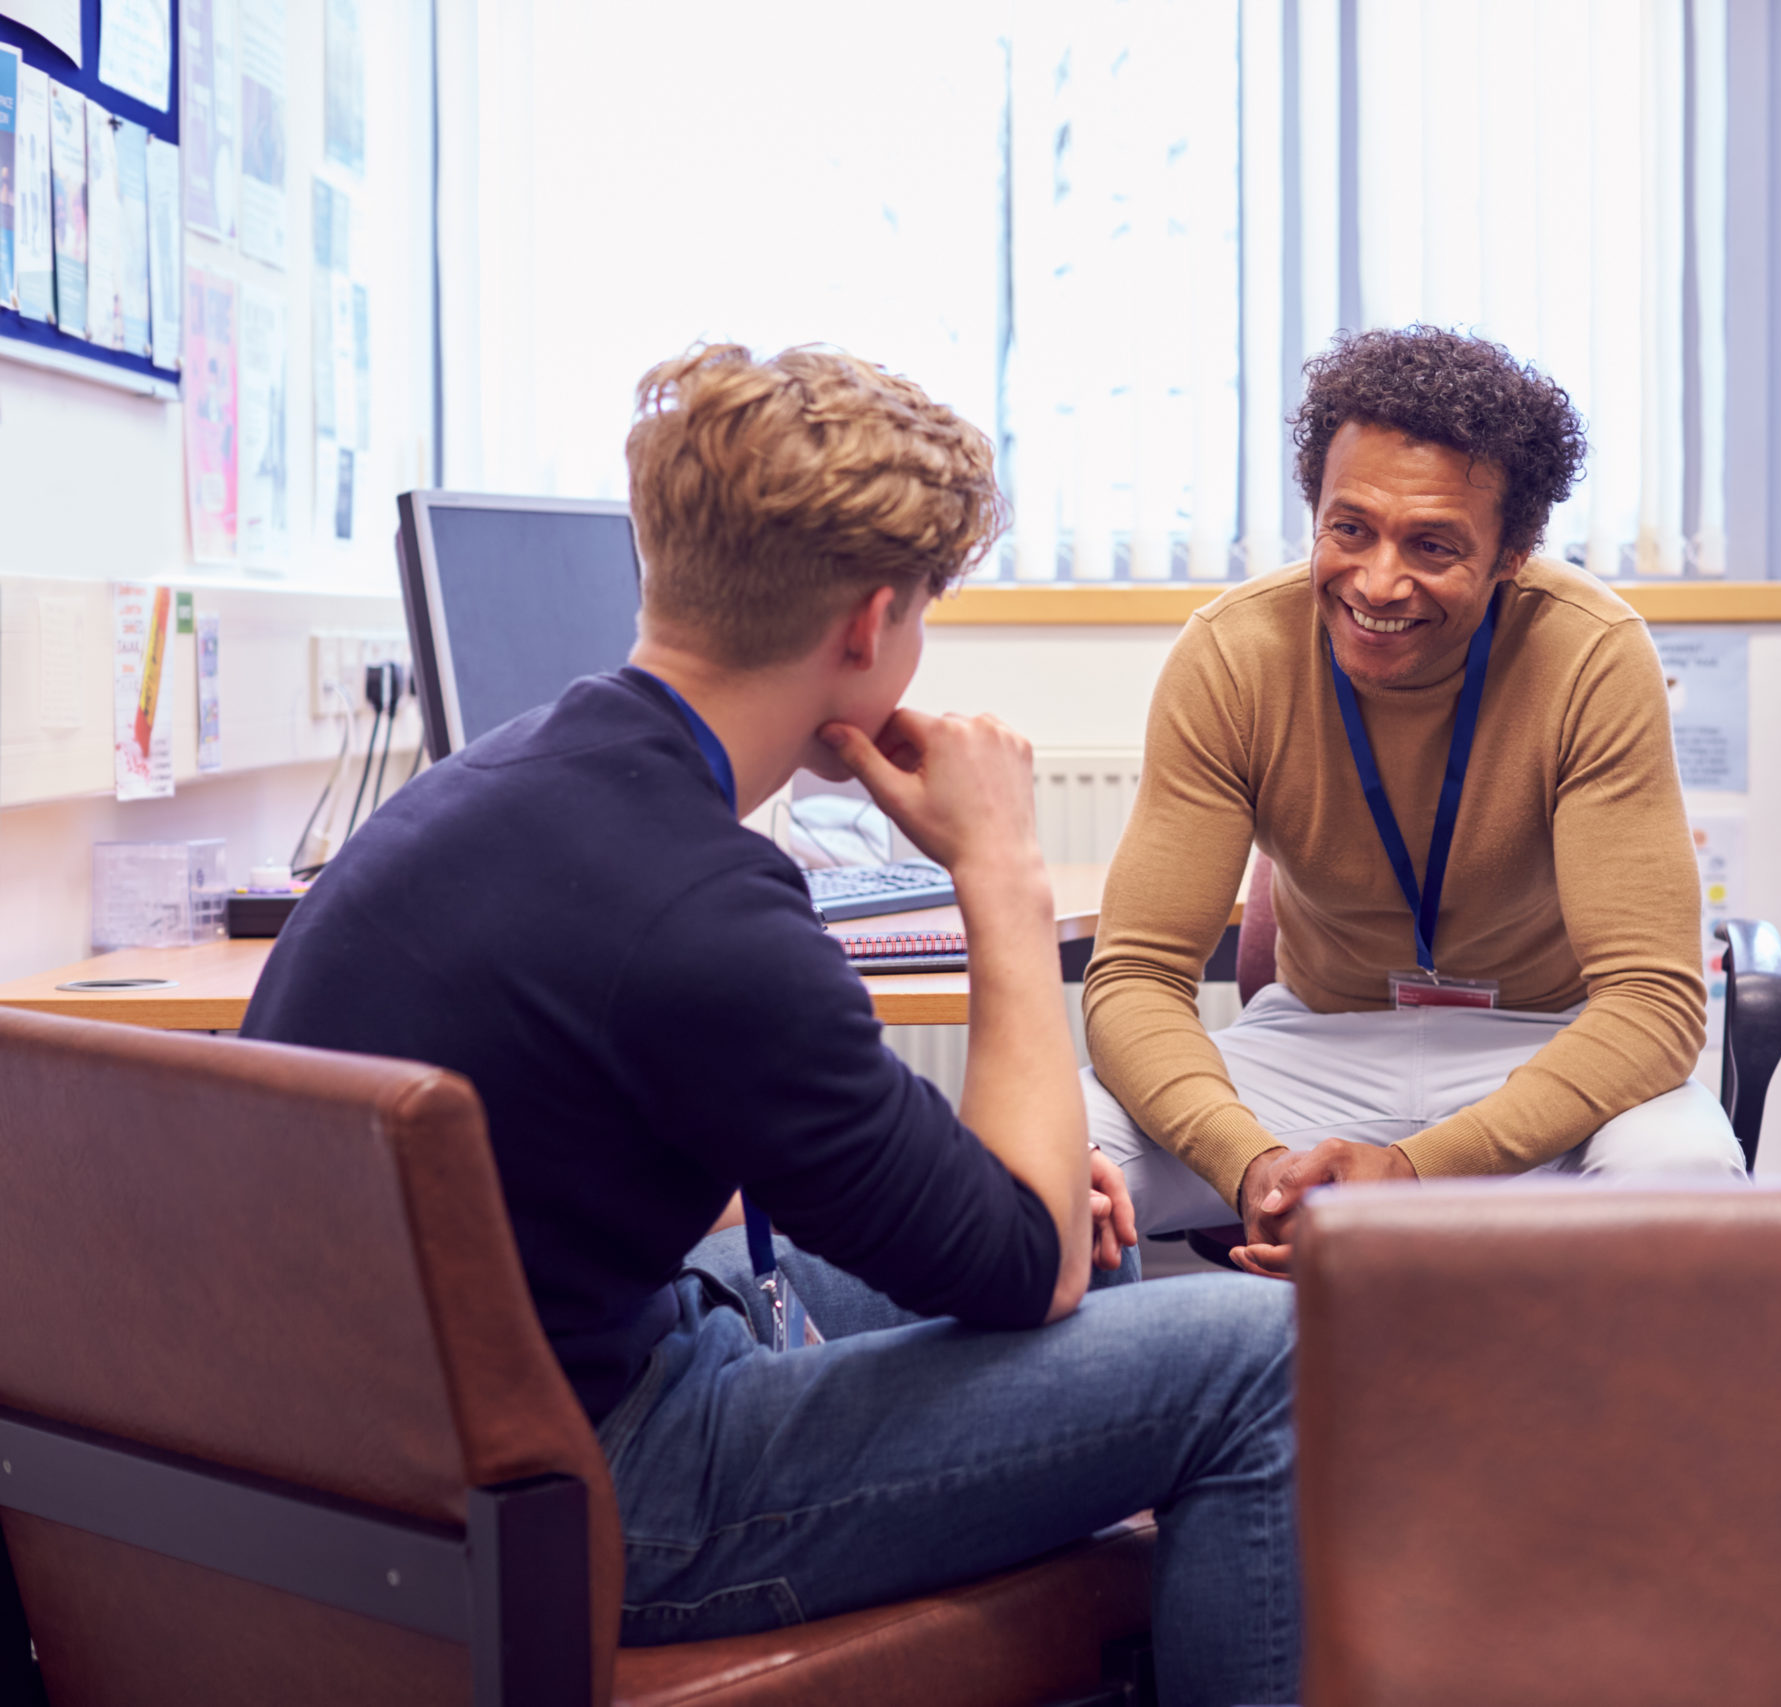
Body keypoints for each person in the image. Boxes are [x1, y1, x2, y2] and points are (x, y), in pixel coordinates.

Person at [243, 343, 1299, 1706]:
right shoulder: (704, 913)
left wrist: (1025, 1214)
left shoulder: (509, 775)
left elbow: (991, 1221)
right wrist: (1003, 870)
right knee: (1258, 1358)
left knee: (1091, 1250)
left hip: (411, 1430)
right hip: (589, 1487)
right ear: (870, 627)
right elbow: (1018, 1263)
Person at [1082, 326, 1745, 1278]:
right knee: (1051, 1157)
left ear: (1513, 551)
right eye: (1350, 527)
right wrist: (1255, 1166)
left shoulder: (1592, 655)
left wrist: (1418, 1170)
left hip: (1543, 1048)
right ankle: (1161, 1414)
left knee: (1685, 1177)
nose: (1378, 581)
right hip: (1315, 1048)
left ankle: (1591, 1432)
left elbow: (1652, 1004)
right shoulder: (1233, 655)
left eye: (1432, 544)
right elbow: (1136, 978)